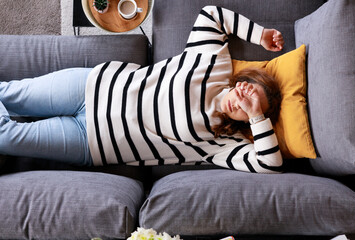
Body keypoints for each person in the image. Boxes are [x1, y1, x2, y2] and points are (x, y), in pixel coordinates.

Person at [0, 6, 284, 173]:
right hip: (92, 87)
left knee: (6, 136)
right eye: (248, 90)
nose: (243, 101)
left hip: (91, 141)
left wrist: (258, 116)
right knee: (7, 93)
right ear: (240, 82)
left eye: (251, 107)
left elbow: (270, 165)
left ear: (251, 120)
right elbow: (212, 15)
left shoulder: (225, 144)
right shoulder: (213, 65)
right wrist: (260, 35)